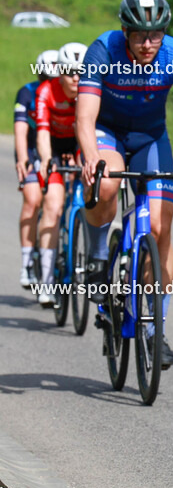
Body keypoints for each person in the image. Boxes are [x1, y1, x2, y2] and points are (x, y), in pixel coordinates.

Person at [78, 0, 173, 369]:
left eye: (155, 35)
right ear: (125, 31)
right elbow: (85, 116)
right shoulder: (103, 50)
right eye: (139, 35)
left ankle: (155, 324)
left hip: (151, 138)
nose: (147, 43)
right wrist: (91, 157)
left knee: (159, 225)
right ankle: (97, 251)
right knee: (105, 184)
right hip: (107, 132)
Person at [33, 42, 88, 306]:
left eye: (81, 72)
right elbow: (42, 131)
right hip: (53, 146)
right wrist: (46, 160)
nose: (76, 78)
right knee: (53, 206)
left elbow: (88, 131)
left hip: (78, 143)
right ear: (59, 72)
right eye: (69, 72)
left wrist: (84, 159)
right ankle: (45, 280)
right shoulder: (46, 91)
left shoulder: (90, 92)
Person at [14, 50, 58, 289]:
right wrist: (23, 158)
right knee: (32, 199)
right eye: (45, 79)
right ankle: (27, 261)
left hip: (58, 147)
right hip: (31, 148)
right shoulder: (27, 92)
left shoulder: (67, 92)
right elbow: (20, 130)